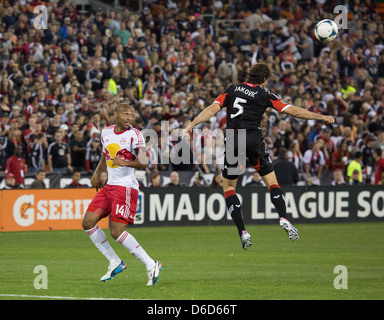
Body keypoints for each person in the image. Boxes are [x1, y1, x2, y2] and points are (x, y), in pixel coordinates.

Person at [184, 63, 334, 249]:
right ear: (264, 80)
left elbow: (211, 110)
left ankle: (242, 231)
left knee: (229, 187)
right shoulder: (264, 94)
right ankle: (283, 217)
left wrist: (191, 125)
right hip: (254, 136)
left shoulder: (232, 89)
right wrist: (320, 117)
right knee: (272, 182)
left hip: (234, 138)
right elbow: (293, 111)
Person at [81, 103, 162, 286]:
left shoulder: (135, 135)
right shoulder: (106, 133)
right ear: (115, 114)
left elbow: (144, 161)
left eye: (131, 115)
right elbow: (105, 155)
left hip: (125, 188)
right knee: (87, 222)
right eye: (125, 114)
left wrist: (125, 163)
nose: (129, 117)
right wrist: (96, 173)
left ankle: (151, 264)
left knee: (116, 232)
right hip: (110, 186)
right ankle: (115, 262)